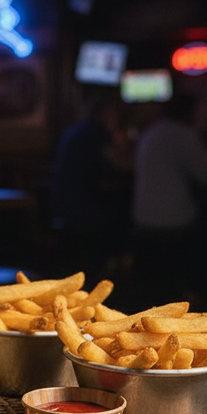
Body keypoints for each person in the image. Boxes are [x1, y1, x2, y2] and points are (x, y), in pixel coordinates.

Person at [130, 94, 207, 304]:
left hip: (141, 220)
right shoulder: (184, 135)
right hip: (174, 224)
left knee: (153, 284)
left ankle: (173, 296)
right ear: (190, 113)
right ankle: (205, 295)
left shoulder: (149, 132)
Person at [49, 95, 132, 281]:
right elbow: (122, 164)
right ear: (106, 115)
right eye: (114, 115)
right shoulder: (96, 132)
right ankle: (111, 280)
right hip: (82, 212)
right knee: (123, 222)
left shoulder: (73, 130)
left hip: (59, 207)